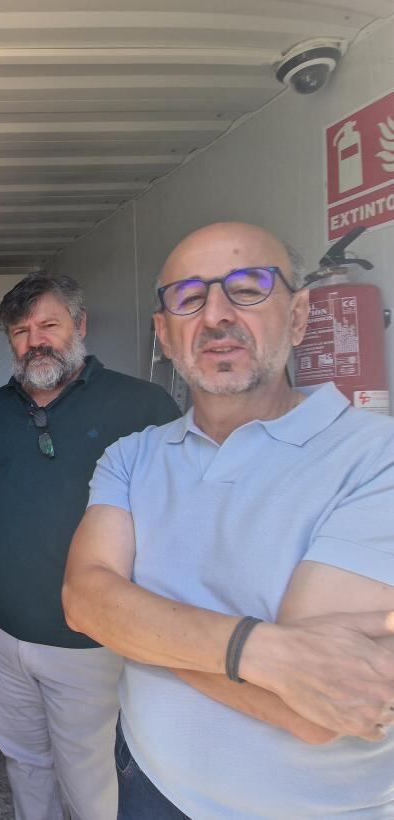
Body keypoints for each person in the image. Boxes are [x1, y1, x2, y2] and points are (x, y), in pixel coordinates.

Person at [63, 222, 394, 818]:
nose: (215, 315)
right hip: (150, 783)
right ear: (164, 335)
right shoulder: (132, 456)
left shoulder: (377, 456)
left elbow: (310, 710)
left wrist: (135, 620)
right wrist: (262, 651)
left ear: (298, 317)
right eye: (189, 299)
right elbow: (85, 601)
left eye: (247, 287)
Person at [0, 272, 179, 820]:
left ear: (80, 325)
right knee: (23, 759)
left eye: (49, 324)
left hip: (89, 641)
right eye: (21, 331)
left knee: (91, 780)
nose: (36, 340)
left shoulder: (144, 407)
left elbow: (184, 514)